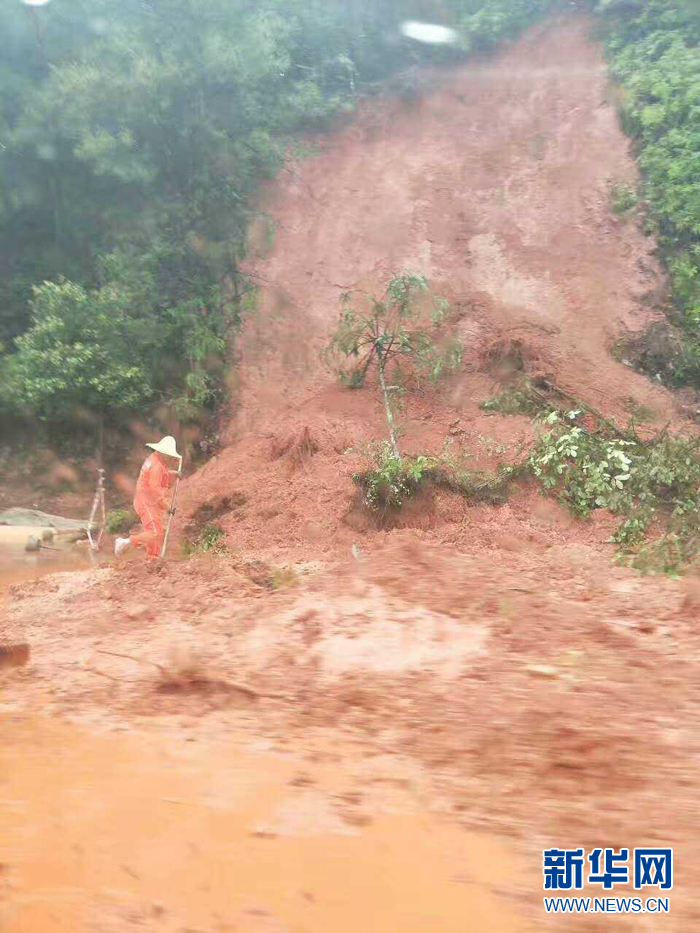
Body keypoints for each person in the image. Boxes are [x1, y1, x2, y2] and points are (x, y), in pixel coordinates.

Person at [114, 436, 181, 558]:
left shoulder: (155, 459)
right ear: (162, 452)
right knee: (156, 533)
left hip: (146, 501)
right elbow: (155, 489)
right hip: (146, 502)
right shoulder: (157, 466)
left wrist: (173, 473)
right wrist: (167, 507)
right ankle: (126, 542)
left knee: (154, 531)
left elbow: (161, 474)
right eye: (168, 454)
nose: (170, 457)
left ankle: (152, 558)